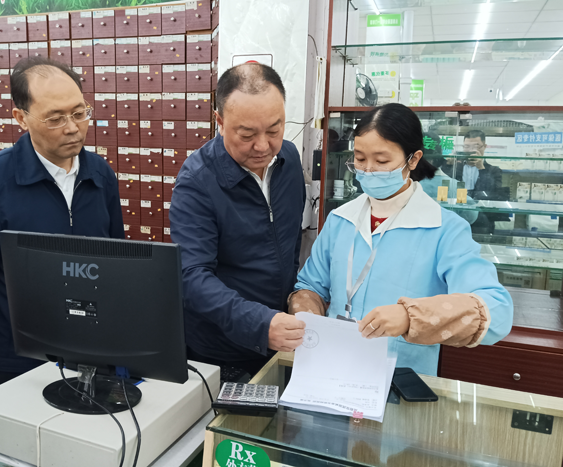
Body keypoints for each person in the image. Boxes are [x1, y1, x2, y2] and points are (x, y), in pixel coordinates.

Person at [289, 103, 513, 376]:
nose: (368, 170)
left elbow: (496, 312)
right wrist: (308, 315)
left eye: (382, 161)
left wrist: (411, 316)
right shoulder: (340, 220)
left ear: (413, 159)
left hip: (402, 379)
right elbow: (310, 286)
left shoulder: (444, 229)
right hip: (331, 370)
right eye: (359, 159)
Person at [0, 57, 124, 399]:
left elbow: (118, 266)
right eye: (55, 118)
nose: (73, 128)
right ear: (21, 117)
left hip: (92, 356)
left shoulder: (100, 175)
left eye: (79, 113)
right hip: (17, 363)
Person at [170, 63, 306, 377]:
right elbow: (191, 276)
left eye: (274, 130)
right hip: (222, 351)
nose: (263, 146)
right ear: (219, 122)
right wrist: (259, 323)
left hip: (283, 338)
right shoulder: (197, 181)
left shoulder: (288, 159)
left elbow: (290, 241)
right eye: (247, 134)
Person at [454, 130, 509, 234]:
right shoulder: (455, 167)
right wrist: (448, 163)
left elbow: (492, 195)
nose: (471, 150)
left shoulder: (494, 171)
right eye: (467, 146)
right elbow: (444, 188)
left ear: (484, 147)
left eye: (476, 146)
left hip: (482, 222)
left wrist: (481, 168)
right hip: (457, 219)